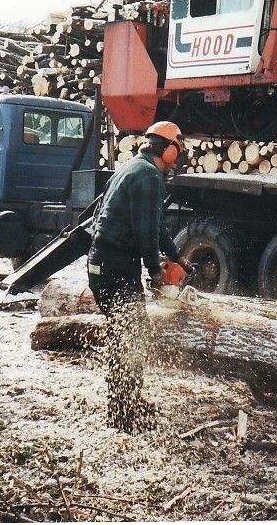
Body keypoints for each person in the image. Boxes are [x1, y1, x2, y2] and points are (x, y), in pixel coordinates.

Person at [87, 120, 192, 433]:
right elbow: (145, 232)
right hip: (115, 267)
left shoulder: (133, 166)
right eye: (178, 149)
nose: (178, 157)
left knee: (129, 335)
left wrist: (175, 257)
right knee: (129, 339)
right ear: (170, 149)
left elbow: (155, 226)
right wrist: (155, 272)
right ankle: (121, 413)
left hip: (105, 264)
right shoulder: (148, 175)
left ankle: (128, 401)